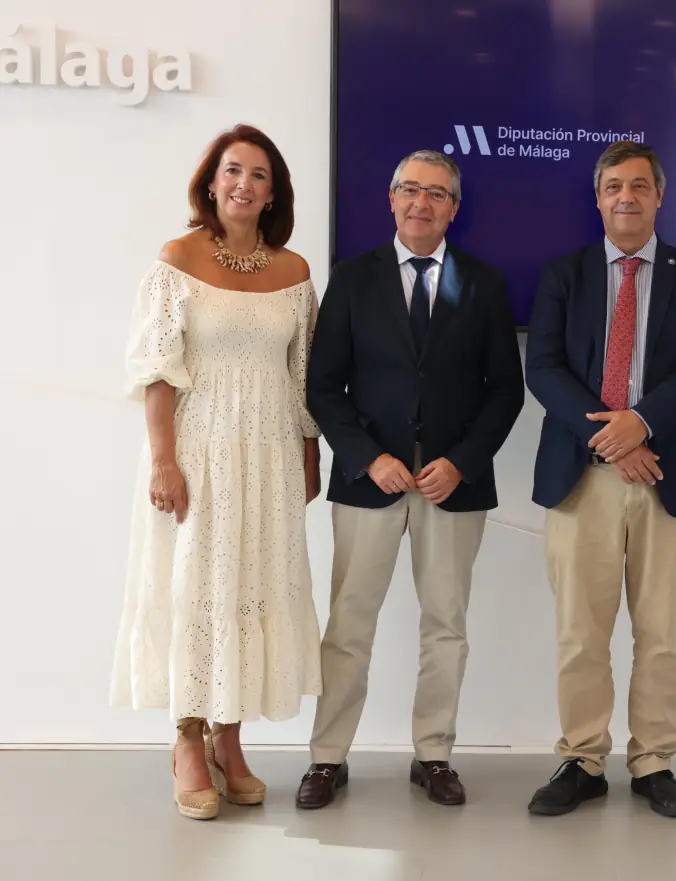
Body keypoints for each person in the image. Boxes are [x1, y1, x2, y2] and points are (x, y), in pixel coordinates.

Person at [295, 150, 524, 810]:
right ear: (391, 199)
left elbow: (505, 390)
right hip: (370, 480)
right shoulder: (353, 278)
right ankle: (327, 757)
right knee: (349, 624)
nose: (422, 202)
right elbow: (323, 387)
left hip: (452, 484)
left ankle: (434, 753)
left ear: (455, 207)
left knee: (446, 623)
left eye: (437, 193)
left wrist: (462, 460)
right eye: (411, 190)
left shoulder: (484, 283)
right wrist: (369, 457)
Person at [110, 124, 324, 821]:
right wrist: (163, 460)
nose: (244, 184)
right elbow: (155, 371)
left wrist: (310, 455)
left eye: (259, 175)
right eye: (233, 170)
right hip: (198, 454)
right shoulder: (177, 260)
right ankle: (187, 740)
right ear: (211, 181)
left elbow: (304, 378)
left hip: (270, 457)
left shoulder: (294, 272)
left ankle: (229, 737)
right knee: (195, 589)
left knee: (250, 585)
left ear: (273, 193)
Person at [524, 141, 676, 818]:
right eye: (614, 185)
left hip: (668, 474)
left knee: (662, 631)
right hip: (581, 477)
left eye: (640, 185)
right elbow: (543, 368)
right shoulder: (564, 273)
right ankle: (582, 759)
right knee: (580, 632)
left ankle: (654, 760)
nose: (626, 197)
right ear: (598, 197)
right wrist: (612, 440)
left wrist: (640, 423)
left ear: (659, 196)